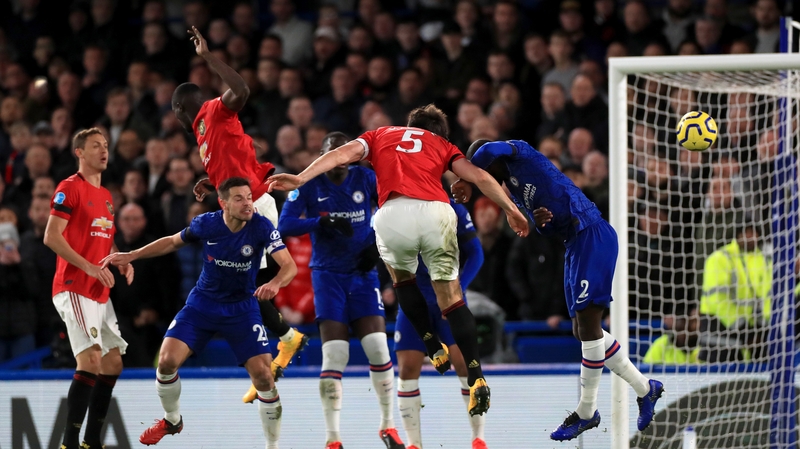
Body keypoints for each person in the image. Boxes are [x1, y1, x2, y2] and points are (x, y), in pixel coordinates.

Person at [268, 104, 530, 417]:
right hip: (436, 212)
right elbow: (479, 176)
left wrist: (300, 177)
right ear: (438, 132)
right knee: (453, 300)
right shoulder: (442, 144)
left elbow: (340, 155)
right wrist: (511, 210)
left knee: (402, 280)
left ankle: (431, 345)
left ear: (410, 124)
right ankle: (476, 376)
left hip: (393, 214)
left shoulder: (380, 135)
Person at [455, 139, 663, 441]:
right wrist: (540, 223)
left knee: (590, 328)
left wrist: (465, 175)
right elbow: (545, 226)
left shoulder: (520, 152)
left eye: (484, 171)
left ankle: (586, 411)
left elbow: (487, 151)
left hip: (591, 233)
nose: (484, 176)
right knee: (582, 330)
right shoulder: (512, 189)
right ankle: (646, 389)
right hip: (573, 244)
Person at [101, 177, 295, 448]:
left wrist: (274, 283)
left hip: (241, 308)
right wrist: (132, 255)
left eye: (249, 196)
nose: (248, 203)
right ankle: (172, 420)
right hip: (203, 304)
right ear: (223, 203)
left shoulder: (261, 226)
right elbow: (171, 242)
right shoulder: (207, 224)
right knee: (166, 362)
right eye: (239, 198)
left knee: (263, 376)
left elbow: (289, 266)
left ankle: (272, 446)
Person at [171, 26, 308, 393]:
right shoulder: (203, 133)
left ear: (179, 110)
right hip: (241, 201)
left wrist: (207, 57)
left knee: (243, 286)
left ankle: (285, 340)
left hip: (255, 204)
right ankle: (281, 344)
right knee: (244, 284)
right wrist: (211, 182)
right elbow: (233, 161)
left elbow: (242, 90)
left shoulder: (213, 112)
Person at [279, 132, 404, 449]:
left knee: (378, 347)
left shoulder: (367, 177)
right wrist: (321, 222)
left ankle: (388, 427)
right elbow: (285, 225)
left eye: (343, 153)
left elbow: (393, 210)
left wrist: (377, 246)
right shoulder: (309, 184)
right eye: (330, 153)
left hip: (363, 274)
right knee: (336, 353)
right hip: (328, 276)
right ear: (321, 156)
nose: (338, 159)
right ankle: (332, 438)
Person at [43, 128, 135, 449]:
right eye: (95, 145)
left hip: (98, 290)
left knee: (113, 364)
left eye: (106, 145)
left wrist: (118, 259)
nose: (103, 150)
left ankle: (91, 441)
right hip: (74, 286)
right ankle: (70, 442)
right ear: (79, 152)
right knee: (92, 361)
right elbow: (51, 236)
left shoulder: (107, 197)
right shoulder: (70, 188)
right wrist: (89, 267)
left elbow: (101, 235)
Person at [394, 198, 487, 449]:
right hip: (416, 298)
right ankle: (414, 444)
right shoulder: (396, 211)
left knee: (463, 364)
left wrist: (458, 289)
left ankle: (478, 438)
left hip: (448, 297)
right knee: (407, 368)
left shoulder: (453, 209)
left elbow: (476, 253)